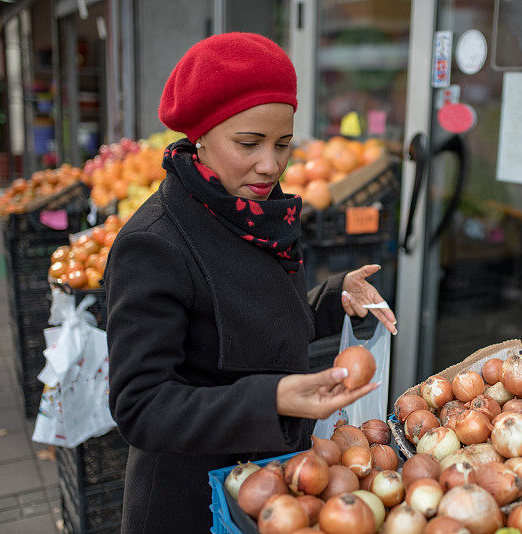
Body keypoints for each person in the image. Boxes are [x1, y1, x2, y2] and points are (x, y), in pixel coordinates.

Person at [105, 33, 397, 533]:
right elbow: (141, 406)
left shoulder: (256, 213)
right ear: (201, 135)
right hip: (191, 505)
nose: (271, 164)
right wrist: (272, 399)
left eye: (283, 144)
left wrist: (333, 299)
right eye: (249, 144)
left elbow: (246, 323)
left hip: (270, 491)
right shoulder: (154, 244)